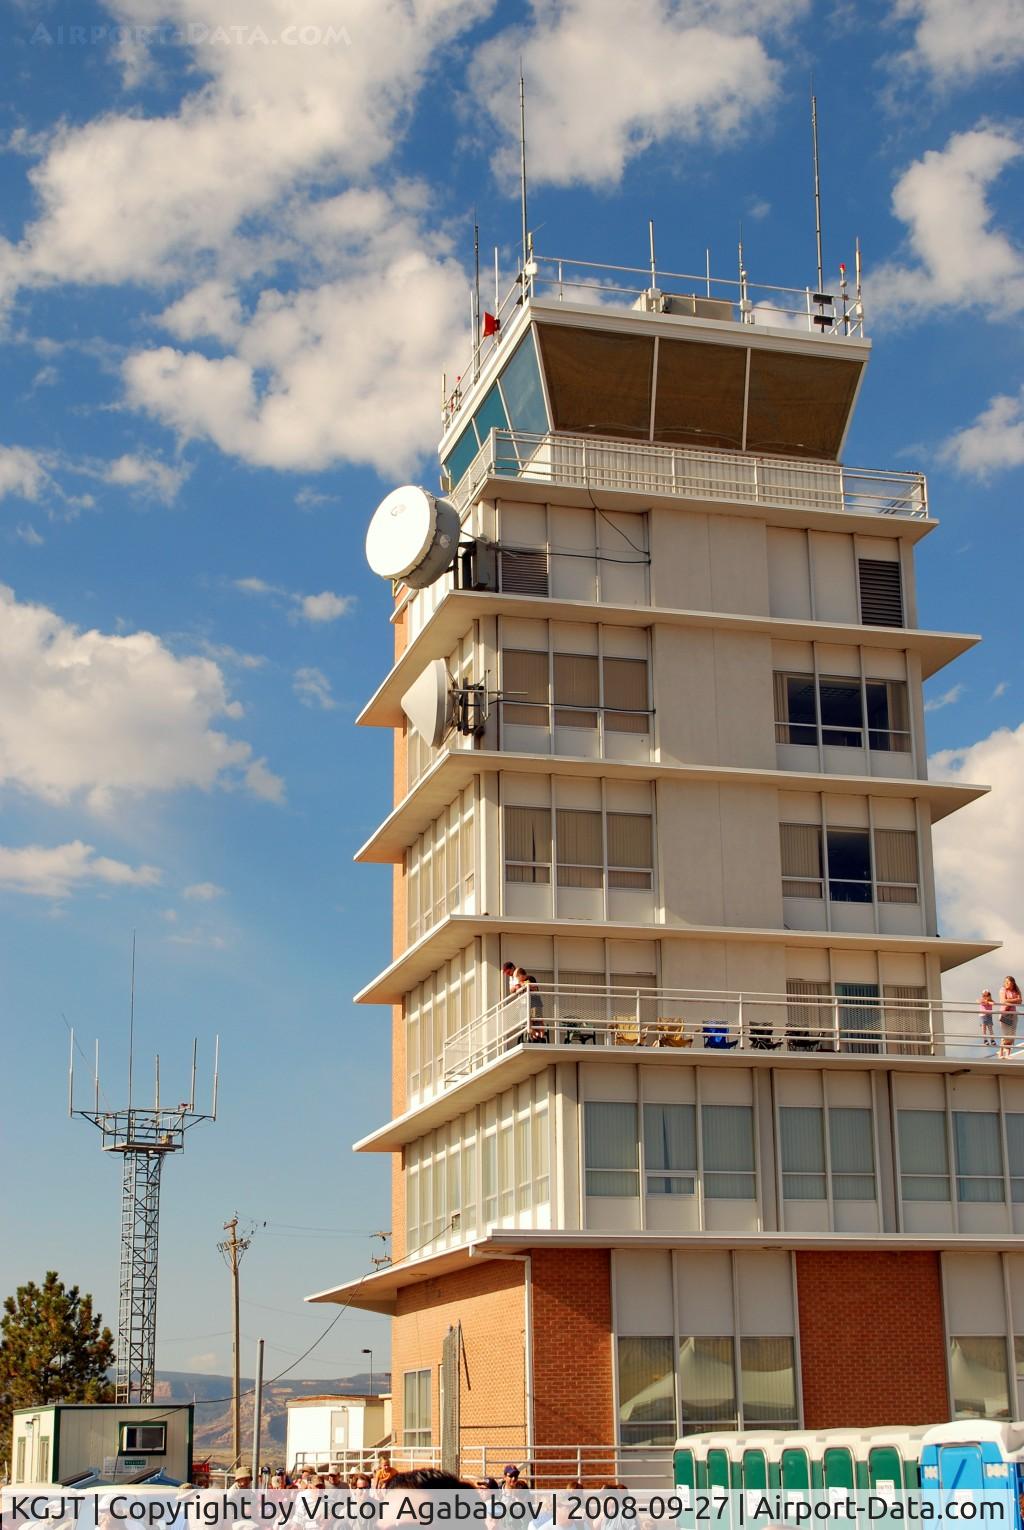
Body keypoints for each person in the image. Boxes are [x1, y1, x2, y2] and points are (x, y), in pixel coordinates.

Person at [1000, 976, 1022, 1058]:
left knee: (1012, 1034)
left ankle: (1007, 1054)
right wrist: (1015, 999)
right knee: (1006, 1034)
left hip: (1013, 1015)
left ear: (1012, 983)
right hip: (1004, 1014)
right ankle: (1002, 1054)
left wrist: (1011, 1000)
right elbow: (1003, 1001)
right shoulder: (1003, 989)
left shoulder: (1016, 990)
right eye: (1005, 981)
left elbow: (1020, 1001)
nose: (1006, 983)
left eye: (1008, 982)